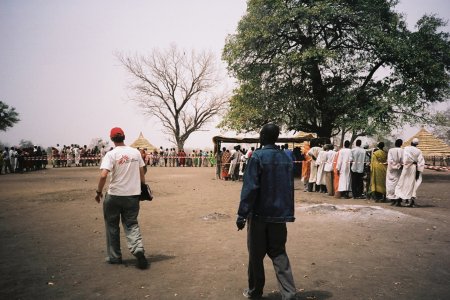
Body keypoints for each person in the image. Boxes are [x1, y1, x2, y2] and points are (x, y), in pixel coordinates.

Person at [236, 123, 297, 300]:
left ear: (262, 136)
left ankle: (255, 291)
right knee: (279, 253)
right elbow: (288, 188)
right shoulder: (286, 158)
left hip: (259, 215)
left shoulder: (257, 157)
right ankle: (289, 294)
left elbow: (250, 189)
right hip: (279, 216)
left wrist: (242, 214)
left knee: (256, 256)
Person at [94, 127, 149, 269]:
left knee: (112, 226)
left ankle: (115, 257)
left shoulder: (111, 155)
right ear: (124, 137)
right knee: (131, 224)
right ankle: (138, 249)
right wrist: (142, 187)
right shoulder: (136, 153)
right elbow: (142, 173)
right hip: (132, 196)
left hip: (114, 196)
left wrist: (99, 192)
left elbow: (103, 175)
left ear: (112, 139)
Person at [395, 138, 425, 207]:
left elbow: (402, 158)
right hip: (413, 168)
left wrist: (402, 165)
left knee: (402, 182)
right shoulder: (418, 151)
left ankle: (398, 200)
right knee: (411, 184)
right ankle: (411, 201)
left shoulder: (406, 148)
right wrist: (419, 171)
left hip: (406, 167)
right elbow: (421, 162)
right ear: (417, 144)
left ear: (411, 143)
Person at [386, 139, 404, 206]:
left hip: (391, 170)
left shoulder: (391, 150)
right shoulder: (403, 150)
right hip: (400, 170)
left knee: (391, 185)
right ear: (401, 144)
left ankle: (392, 200)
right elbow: (404, 161)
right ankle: (398, 201)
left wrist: (394, 166)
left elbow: (390, 160)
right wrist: (399, 166)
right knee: (399, 185)